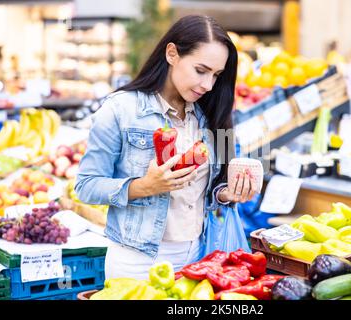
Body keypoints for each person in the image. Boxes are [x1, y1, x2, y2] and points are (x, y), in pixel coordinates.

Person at [74, 15, 257, 280]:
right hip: (136, 261)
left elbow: (210, 190)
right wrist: (145, 186)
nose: (208, 85)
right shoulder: (120, 109)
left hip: (198, 257)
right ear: (172, 53)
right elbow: (86, 186)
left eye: (217, 75)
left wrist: (227, 193)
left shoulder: (213, 114)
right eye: (201, 70)